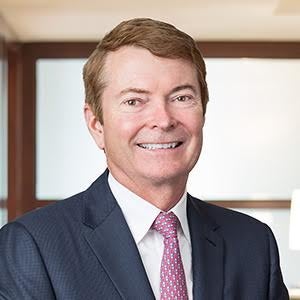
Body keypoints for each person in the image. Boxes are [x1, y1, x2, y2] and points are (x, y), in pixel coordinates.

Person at [0, 18, 288, 300]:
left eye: (181, 97)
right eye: (134, 101)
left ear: (203, 111)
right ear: (96, 125)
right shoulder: (33, 246)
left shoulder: (253, 244)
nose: (163, 120)